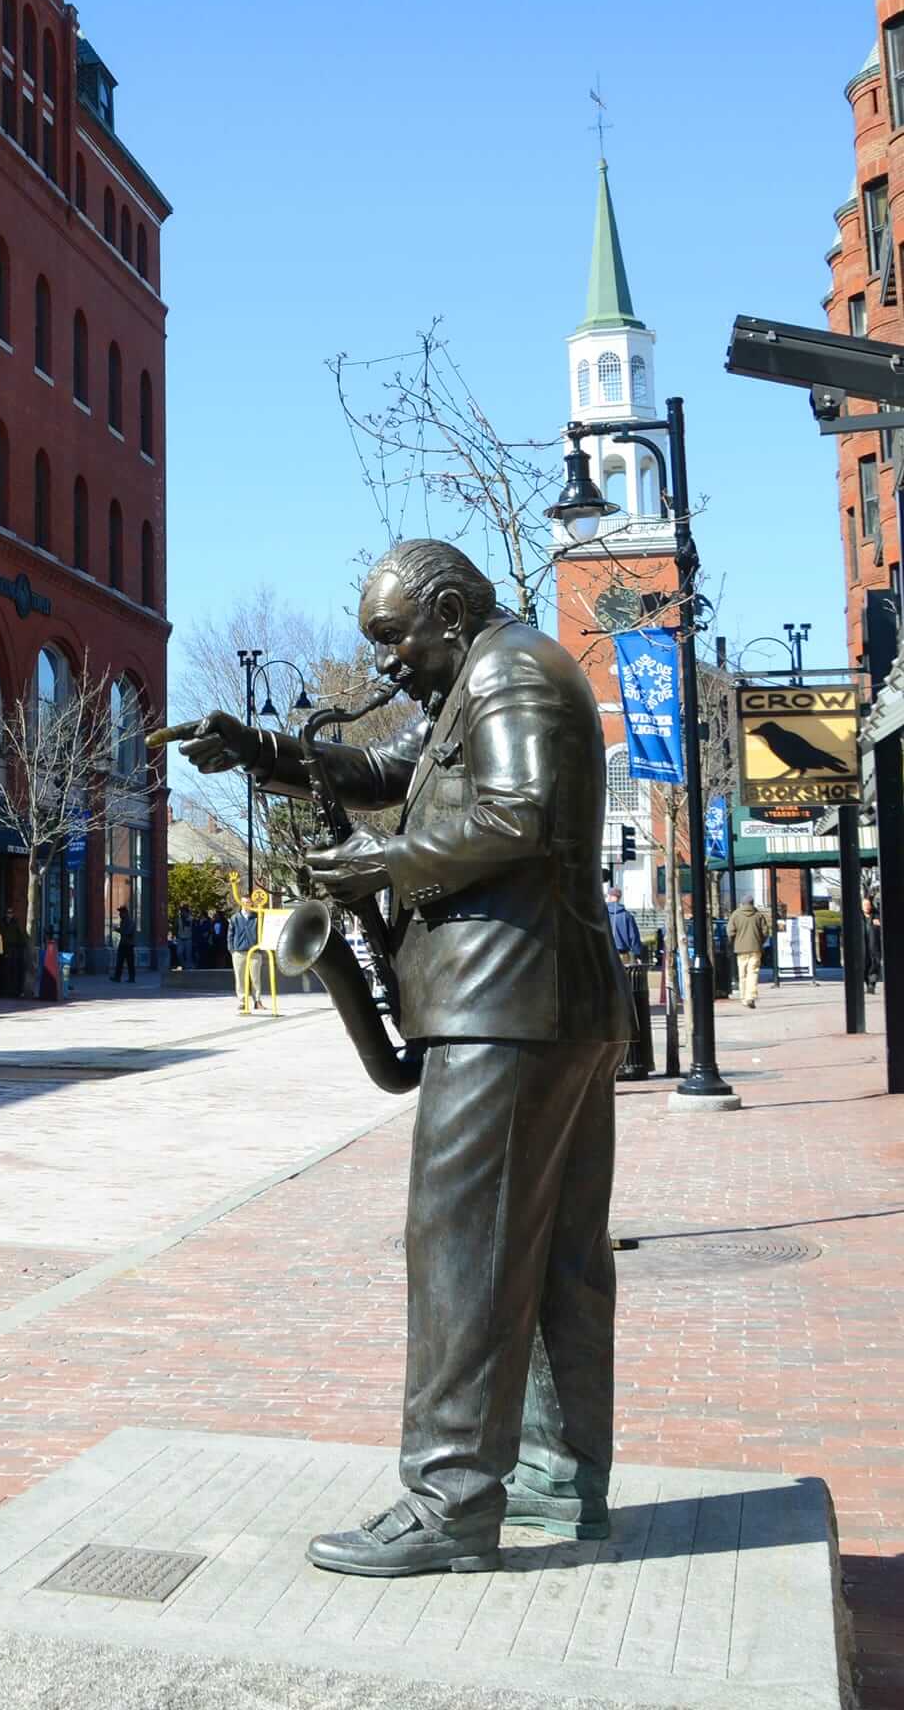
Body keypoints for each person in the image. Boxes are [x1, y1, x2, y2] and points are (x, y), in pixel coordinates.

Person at [163, 538, 631, 1579]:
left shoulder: (508, 673)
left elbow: (520, 816)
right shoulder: (492, 670)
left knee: (460, 1249)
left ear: (452, 611)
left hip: (507, 1003)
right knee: (554, 1254)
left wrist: (378, 867)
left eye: (394, 639)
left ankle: (449, 1502)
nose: (384, 665)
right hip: (549, 1000)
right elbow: (405, 777)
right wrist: (270, 753)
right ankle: (561, 1479)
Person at [727, 896, 770, 1009]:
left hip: (740, 949)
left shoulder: (735, 915)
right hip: (755, 949)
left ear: (742, 903)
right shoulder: (759, 915)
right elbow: (765, 932)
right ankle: (750, 996)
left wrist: (733, 943)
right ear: (752, 903)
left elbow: (730, 932)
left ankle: (744, 998)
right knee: (753, 972)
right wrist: (760, 942)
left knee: (742, 974)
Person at [228, 895, 263, 1012]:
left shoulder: (257, 917)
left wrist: (260, 947)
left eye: (249, 902)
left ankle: (257, 1001)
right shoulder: (235, 918)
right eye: (244, 902)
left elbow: (262, 932)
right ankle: (242, 1001)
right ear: (240, 903)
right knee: (240, 977)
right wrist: (232, 949)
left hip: (254, 952)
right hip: (239, 952)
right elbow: (230, 935)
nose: (247, 904)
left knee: (255, 978)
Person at [604, 887, 643, 963]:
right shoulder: (627, 916)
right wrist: (638, 954)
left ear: (611, 896)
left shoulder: (603, 914)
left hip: (606, 953)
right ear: (619, 898)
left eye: (608, 895)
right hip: (623, 955)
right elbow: (634, 937)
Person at [111, 902, 136, 982]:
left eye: (121, 912)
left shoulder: (130, 921)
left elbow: (128, 932)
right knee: (120, 961)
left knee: (130, 962)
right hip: (123, 944)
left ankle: (131, 978)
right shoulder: (124, 921)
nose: (120, 914)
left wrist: (118, 930)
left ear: (125, 913)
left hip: (128, 945)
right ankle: (117, 977)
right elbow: (124, 931)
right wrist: (118, 929)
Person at [863, 895, 883, 994]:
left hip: (874, 946)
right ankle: (868, 984)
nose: (866, 907)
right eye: (864, 905)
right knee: (864, 965)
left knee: (874, 964)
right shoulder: (859, 917)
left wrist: (879, 924)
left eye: (868, 905)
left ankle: (872, 984)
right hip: (862, 946)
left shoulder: (877, 916)